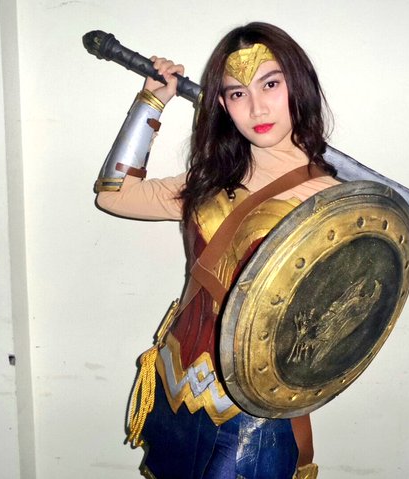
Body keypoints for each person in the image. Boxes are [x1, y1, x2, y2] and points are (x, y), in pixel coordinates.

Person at [95, 22, 339, 479]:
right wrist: (151, 101)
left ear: (297, 87)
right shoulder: (207, 182)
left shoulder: (330, 205)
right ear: (223, 105)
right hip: (177, 384)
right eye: (237, 93)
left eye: (271, 84)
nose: (257, 107)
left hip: (255, 407)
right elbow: (113, 194)